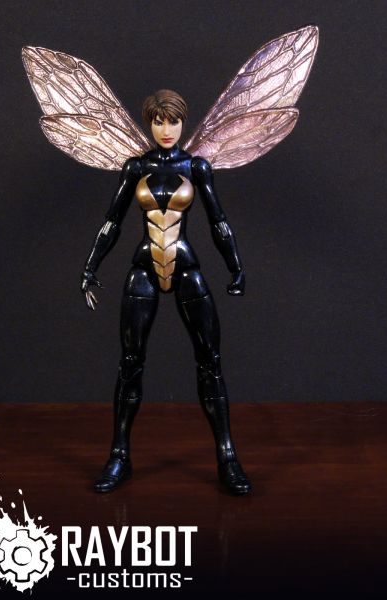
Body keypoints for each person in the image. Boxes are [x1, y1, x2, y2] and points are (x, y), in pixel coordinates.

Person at [81, 90, 251, 495]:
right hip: (143, 269)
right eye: (158, 121)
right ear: (149, 123)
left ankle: (227, 457)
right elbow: (112, 221)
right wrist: (91, 265)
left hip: (187, 268)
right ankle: (119, 456)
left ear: (183, 121)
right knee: (130, 363)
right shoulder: (136, 167)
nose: (166, 129)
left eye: (173, 121)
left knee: (210, 362)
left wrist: (235, 265)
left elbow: (218, 221)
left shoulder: (196, 167)